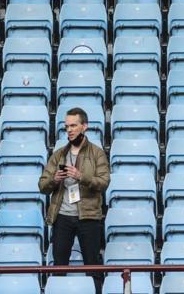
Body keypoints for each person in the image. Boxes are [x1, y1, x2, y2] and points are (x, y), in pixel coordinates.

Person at [37, 108, 111, 294]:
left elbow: (103, 183)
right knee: (59, 267)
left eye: (73, 125)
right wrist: (55, 179)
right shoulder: (59, 155)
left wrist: (80, 176)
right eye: (66, 126)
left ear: (84, 126)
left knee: (92, 267)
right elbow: (42, 185)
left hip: (88, 217)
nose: (69, 130)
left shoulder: (97, 154)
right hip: (62, 218)